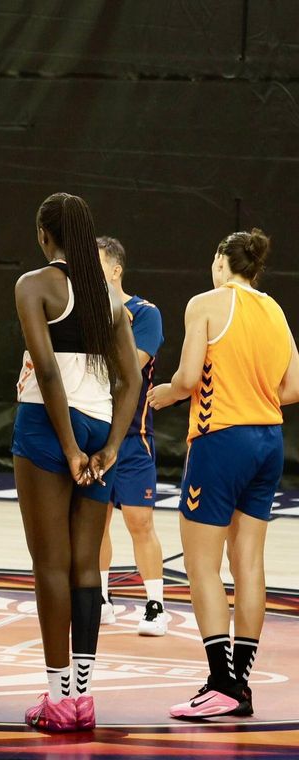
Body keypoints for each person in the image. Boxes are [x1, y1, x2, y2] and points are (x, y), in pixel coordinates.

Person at [149, 229, 299, 720]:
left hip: (221, 441)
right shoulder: (274, 310)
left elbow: (190, 378)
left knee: (201, 565)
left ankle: (220, 682)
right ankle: (241, 684)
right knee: (248, 562)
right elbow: (293, 386)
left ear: (220, 261)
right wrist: (254, 398)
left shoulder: (207, 303)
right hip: (269, 442)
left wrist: (166, 394)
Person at [11, 192, 139, 732]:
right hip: (99, 420)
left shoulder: (35, 285)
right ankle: (83, 699)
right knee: (87, 564)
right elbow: (132, 379)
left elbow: (45, 370)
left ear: (45, 236)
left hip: (49, 426)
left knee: (50, 565)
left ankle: (59, 697)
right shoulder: (108, 296)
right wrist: (110, 447)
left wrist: (67, 448)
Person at [94, 236, 168, 635]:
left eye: (95, 262)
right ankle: (101, 598)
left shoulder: (144, 312)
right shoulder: (83, 313)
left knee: (139, 521)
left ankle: (155, 603)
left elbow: (131, 368)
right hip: (94, 432)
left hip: (133, 435)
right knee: (96, 522)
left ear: (115, 269)